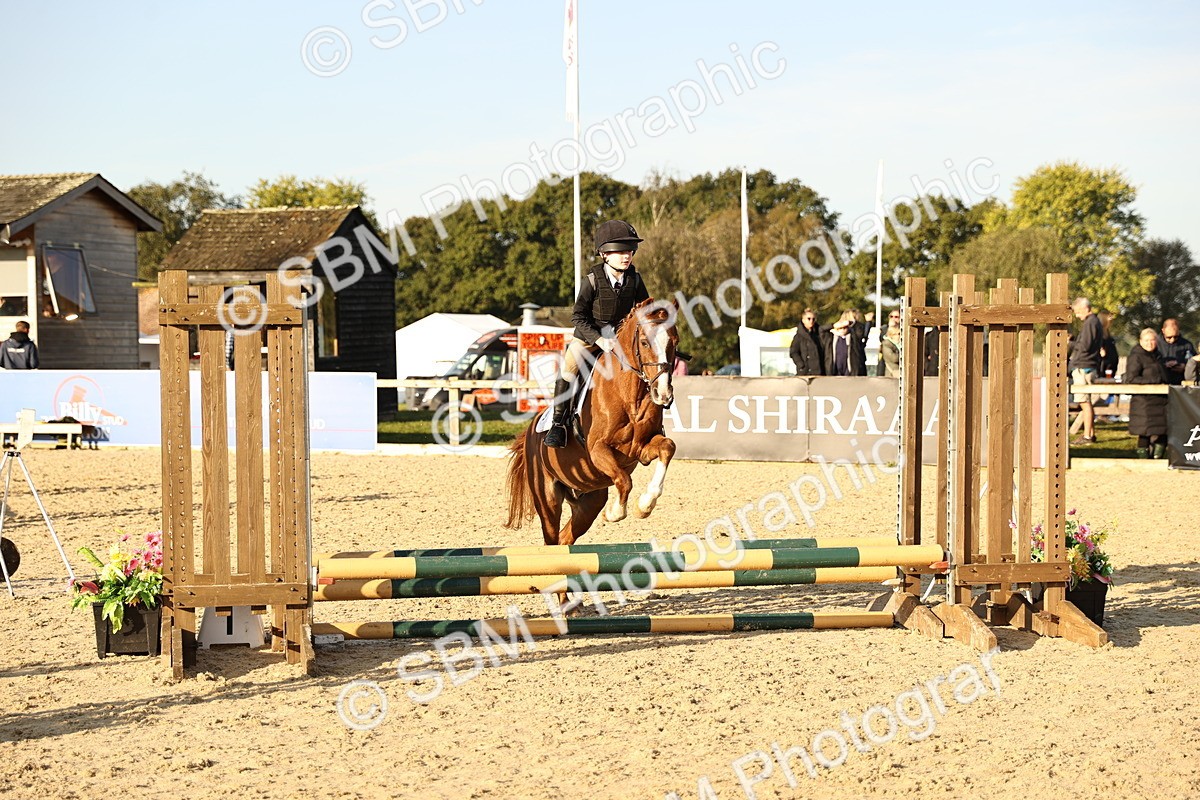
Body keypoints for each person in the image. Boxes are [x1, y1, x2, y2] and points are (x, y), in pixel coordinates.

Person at [544, 219, 650, 448]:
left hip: (622, 340)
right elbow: (578, 317)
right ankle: (558, 424)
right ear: (604, 254)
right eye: (620, 251)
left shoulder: (635, 279)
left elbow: (645, 312)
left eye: (630, 251)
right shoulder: (592, 280)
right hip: (590, 337)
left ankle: (650, 421)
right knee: (569, 367)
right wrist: (599, 340)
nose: (627, 256)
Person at [1125, 327, 1169, 458]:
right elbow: (1131, 378)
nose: (1149, 343)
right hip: (1144, 402)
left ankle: (1157, 457)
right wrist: (1153, 380)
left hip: (1160, 400)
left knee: (1163, 431)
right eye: (1146, 340)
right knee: (1144, 433)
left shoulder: (1158, 356)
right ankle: (1143, 461)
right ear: (1140, 341)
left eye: (1152, 340)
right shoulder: (1136, 356)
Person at [1068, 297, 1103, 445]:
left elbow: (1085, 346)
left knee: (1084, 402)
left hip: (1084, 366)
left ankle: (1087, 435)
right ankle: (1091, 434)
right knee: (1086, 402)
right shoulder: (1095, 322)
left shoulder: (1090, 323)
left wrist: (1070, 343)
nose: (1076, 315)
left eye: (1077, 312)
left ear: (1085, 308)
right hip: (1089, 364)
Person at [824, 311, 866, 376]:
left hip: (849, 372)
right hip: (835, 372)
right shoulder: (831, 337)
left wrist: (851, 322)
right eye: (841, 328)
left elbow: (860, 329)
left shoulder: (853, 338)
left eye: (845, 327)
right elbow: (821, 329)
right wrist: (834, 325)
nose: (843, 329)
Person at [1157, 318, 1196, 386]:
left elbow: (1193, 361)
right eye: (1169, 337)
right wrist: (1164, 365)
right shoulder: (1155, 344)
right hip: (1160, 383)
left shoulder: (1187, 345)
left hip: (1180, 383)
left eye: (1175, 337)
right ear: (1163, 331)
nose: (1172, 340)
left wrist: (1185, 366)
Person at [788, 308, 824, 376]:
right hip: (805, 372)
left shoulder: (818, 334)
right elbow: (793, 352)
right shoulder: (798, 336)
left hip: (818, 372)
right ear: (803, 320)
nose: (811, 321)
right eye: (809, 318)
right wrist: (801, 365)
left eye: (813, 319)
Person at [877, 310, 902, 378]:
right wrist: (890, 327)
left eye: (896, 317)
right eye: (891, 316)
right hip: (887, 365)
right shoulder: (884, 328)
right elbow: (882, 339)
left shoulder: (903, 329)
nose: (893, 319)